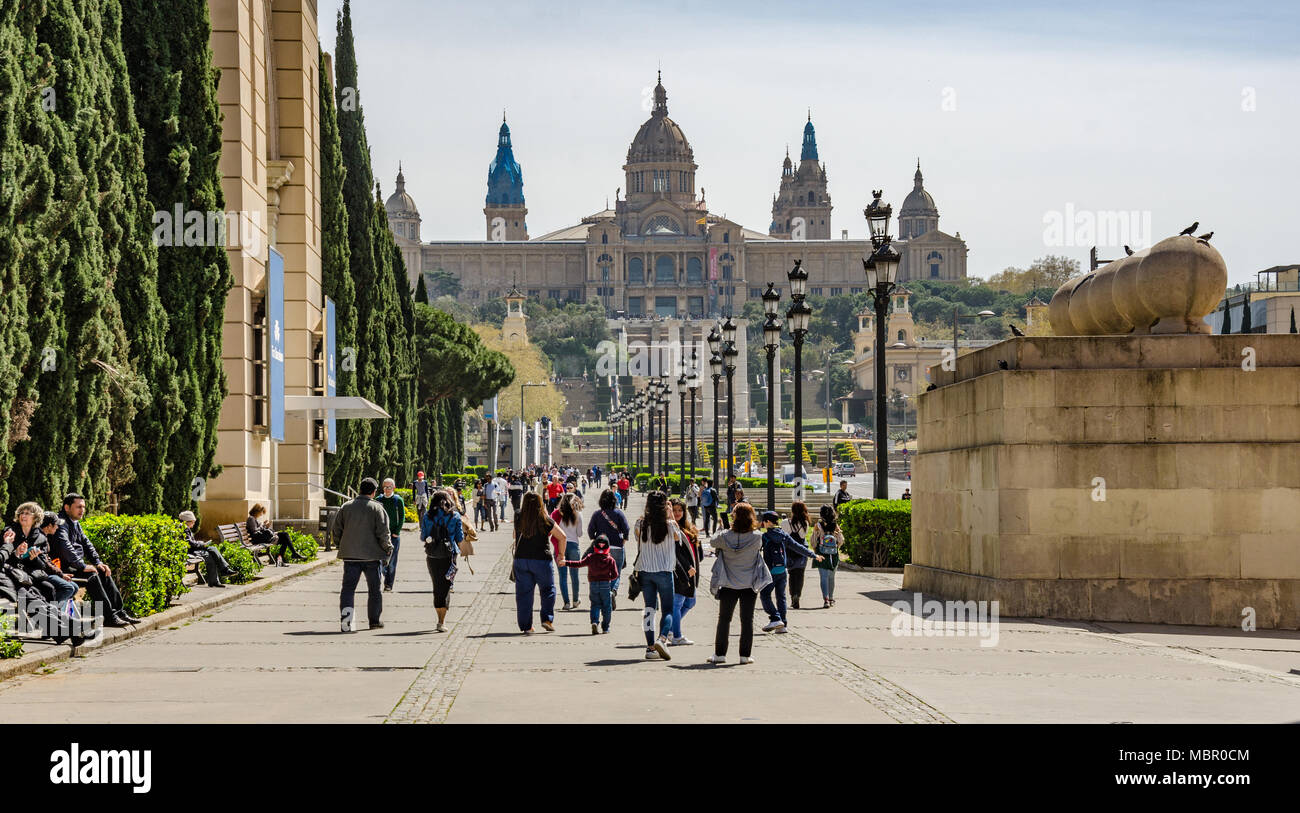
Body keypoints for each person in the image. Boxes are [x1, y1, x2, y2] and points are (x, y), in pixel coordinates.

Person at [50, 494, 141, 626]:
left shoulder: (75, 523)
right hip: (62, 568)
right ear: (67, 507)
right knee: (92, 576)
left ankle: (119, 612)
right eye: (78, 507)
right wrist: (82, 566)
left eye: (84, 507)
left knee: (102, 571)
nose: (82, 510)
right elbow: (66, 548)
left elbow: (87, 544)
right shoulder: (61, 523)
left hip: (74, 565)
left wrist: (98, 562)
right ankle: (109, 616)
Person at [706, 503, 770, 665]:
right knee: (747, 620)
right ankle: (744, 655)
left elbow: (713, 542)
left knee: (724, 619)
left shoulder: (724, 536)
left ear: (734, 516)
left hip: (728, 583)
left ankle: (720, 654)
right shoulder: (757, 537)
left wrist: (721, 528)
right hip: (749, 584)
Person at [331, 478, 393, 632]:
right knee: (374, 590)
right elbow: (383, 533)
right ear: (373, 492)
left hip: (350, 556)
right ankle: (374, 621)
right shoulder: (377, 508)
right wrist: (388, 549)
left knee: (348, 589)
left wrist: (341, 545)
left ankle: (346, 623)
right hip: (372, 557)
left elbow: (336, 529)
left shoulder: (346, 507)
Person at [632, 491, 680, 661]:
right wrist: (670, 515)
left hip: (645, 571)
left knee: (649, 609)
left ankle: (650, 647)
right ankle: (662, 638)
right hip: (665, 571)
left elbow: (637, 538)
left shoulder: (640, 523)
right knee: (668, 609)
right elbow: (677, 539)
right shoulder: (670, 525)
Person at [758, 510, 820, 633]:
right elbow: (798, 547)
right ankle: (783, 625)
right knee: (781, 597)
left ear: (768, 522)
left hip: (770, 572)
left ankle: (775, 617)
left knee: (765, 595)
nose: (762, 523)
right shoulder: (784, 535)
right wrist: (813, 555)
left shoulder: (764, 537)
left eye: (764, 521)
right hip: (782, 571)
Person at [512, 492, 566, 633]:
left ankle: (526, 626)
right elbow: (562, 536)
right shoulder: (545, 519)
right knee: (548, 590)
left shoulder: (518, 515)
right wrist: (561, 554)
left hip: (521, 559)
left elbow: (514, 535)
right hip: (541, 559)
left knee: (523, 594)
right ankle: (547, 619)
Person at [4, 504, 76, 605]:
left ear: (36, 518)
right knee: (57, 589)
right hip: (12, 573)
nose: (23, 516)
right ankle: (50, 617)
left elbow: (42, 564)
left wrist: (34, 558)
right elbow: (4, 555)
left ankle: (53, 617)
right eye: (21, 513)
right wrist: (16, 553)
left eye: (28, 514)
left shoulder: (40, 538)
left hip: (31, 574)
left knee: (49, 589)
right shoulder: (10, 532)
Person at [420, 491, 464, 632]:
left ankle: (439, 616)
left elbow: (423, 536)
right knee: (446, 586)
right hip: (449, 555)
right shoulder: (454, 515)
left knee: (436, 585)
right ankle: (441, 621)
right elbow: (459, 537)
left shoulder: (427, 516)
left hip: (432, 555)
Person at [563, 534, 619, 634]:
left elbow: (579, 564)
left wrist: (566, 562)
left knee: (595, 604)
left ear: (595, 546)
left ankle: (594, 622)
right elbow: (615, 574)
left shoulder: (590, 557)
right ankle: (605, 627)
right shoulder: (610, 560)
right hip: (606, 585)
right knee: (607, 607)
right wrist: (608, 578)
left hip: (593, 585)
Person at [586, 489, 630, 609]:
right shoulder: (619, 513)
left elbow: (590, 530)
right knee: (617, 573)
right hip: (617, 546)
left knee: (602, 573)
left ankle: (605, 595)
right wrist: (623, 542)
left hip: (602, 549)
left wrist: (595, 540)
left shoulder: (597, 514)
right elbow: (626, 529)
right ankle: (612, 592)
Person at [668, 497, 700, 646]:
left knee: (691, 602)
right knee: (678, 602)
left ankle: (669, 629)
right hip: (681, 571)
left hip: (692, 571)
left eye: (680, 510)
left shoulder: (688, 526)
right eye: (674, 510)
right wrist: (687, 567)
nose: (677, 513)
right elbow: (676, 551)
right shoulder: (671, 528)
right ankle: (676, 635)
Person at [179, 511, 234, 587]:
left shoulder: (185, 527)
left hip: (192, 549)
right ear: (187, 521)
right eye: (193, 522)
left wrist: (200, 543)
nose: (194, 524)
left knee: (210, 554)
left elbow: (191, 542)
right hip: (190, 551)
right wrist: (202, 544)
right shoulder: (184, 528)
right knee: (212, 550)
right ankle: (223, 571)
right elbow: (190, 544)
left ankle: (218, 577)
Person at [551, 493, 583, 611]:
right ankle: (575, 600)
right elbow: (580, 533)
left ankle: (566, 602)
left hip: (560, 546)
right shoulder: (578, 514)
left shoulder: (556, 514)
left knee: (562, 576)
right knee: (574, 575)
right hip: (574, 545)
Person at [809, 505, 844, 608]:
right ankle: (832, 597)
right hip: (833, 555)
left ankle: (826, 599)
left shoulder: (818, 526)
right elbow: (841, 540)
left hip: (822, 554)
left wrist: (816, 550)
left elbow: (813, 541)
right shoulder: (835, 526)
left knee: (823, 577)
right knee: (831, 577)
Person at [377, 479, 406, 592]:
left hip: (393, 535)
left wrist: (397, 532)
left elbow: (402, 517)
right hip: (381, 535)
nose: (387, 489)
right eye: (385, 487)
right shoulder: (379, 500)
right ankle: (382, 578)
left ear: (393, 488)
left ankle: (389, 584)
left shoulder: (398, 500)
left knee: (392, 562)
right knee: (380, 560)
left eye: (389, 487)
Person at [783, 501, 813, 610]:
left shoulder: (786, 522)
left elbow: (785, 536)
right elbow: (803, 536)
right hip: (801, 552)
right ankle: (797, 595)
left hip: (789, 551)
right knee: (800, 575)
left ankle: (792, 597)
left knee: (791, 575)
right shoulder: (805, 523)